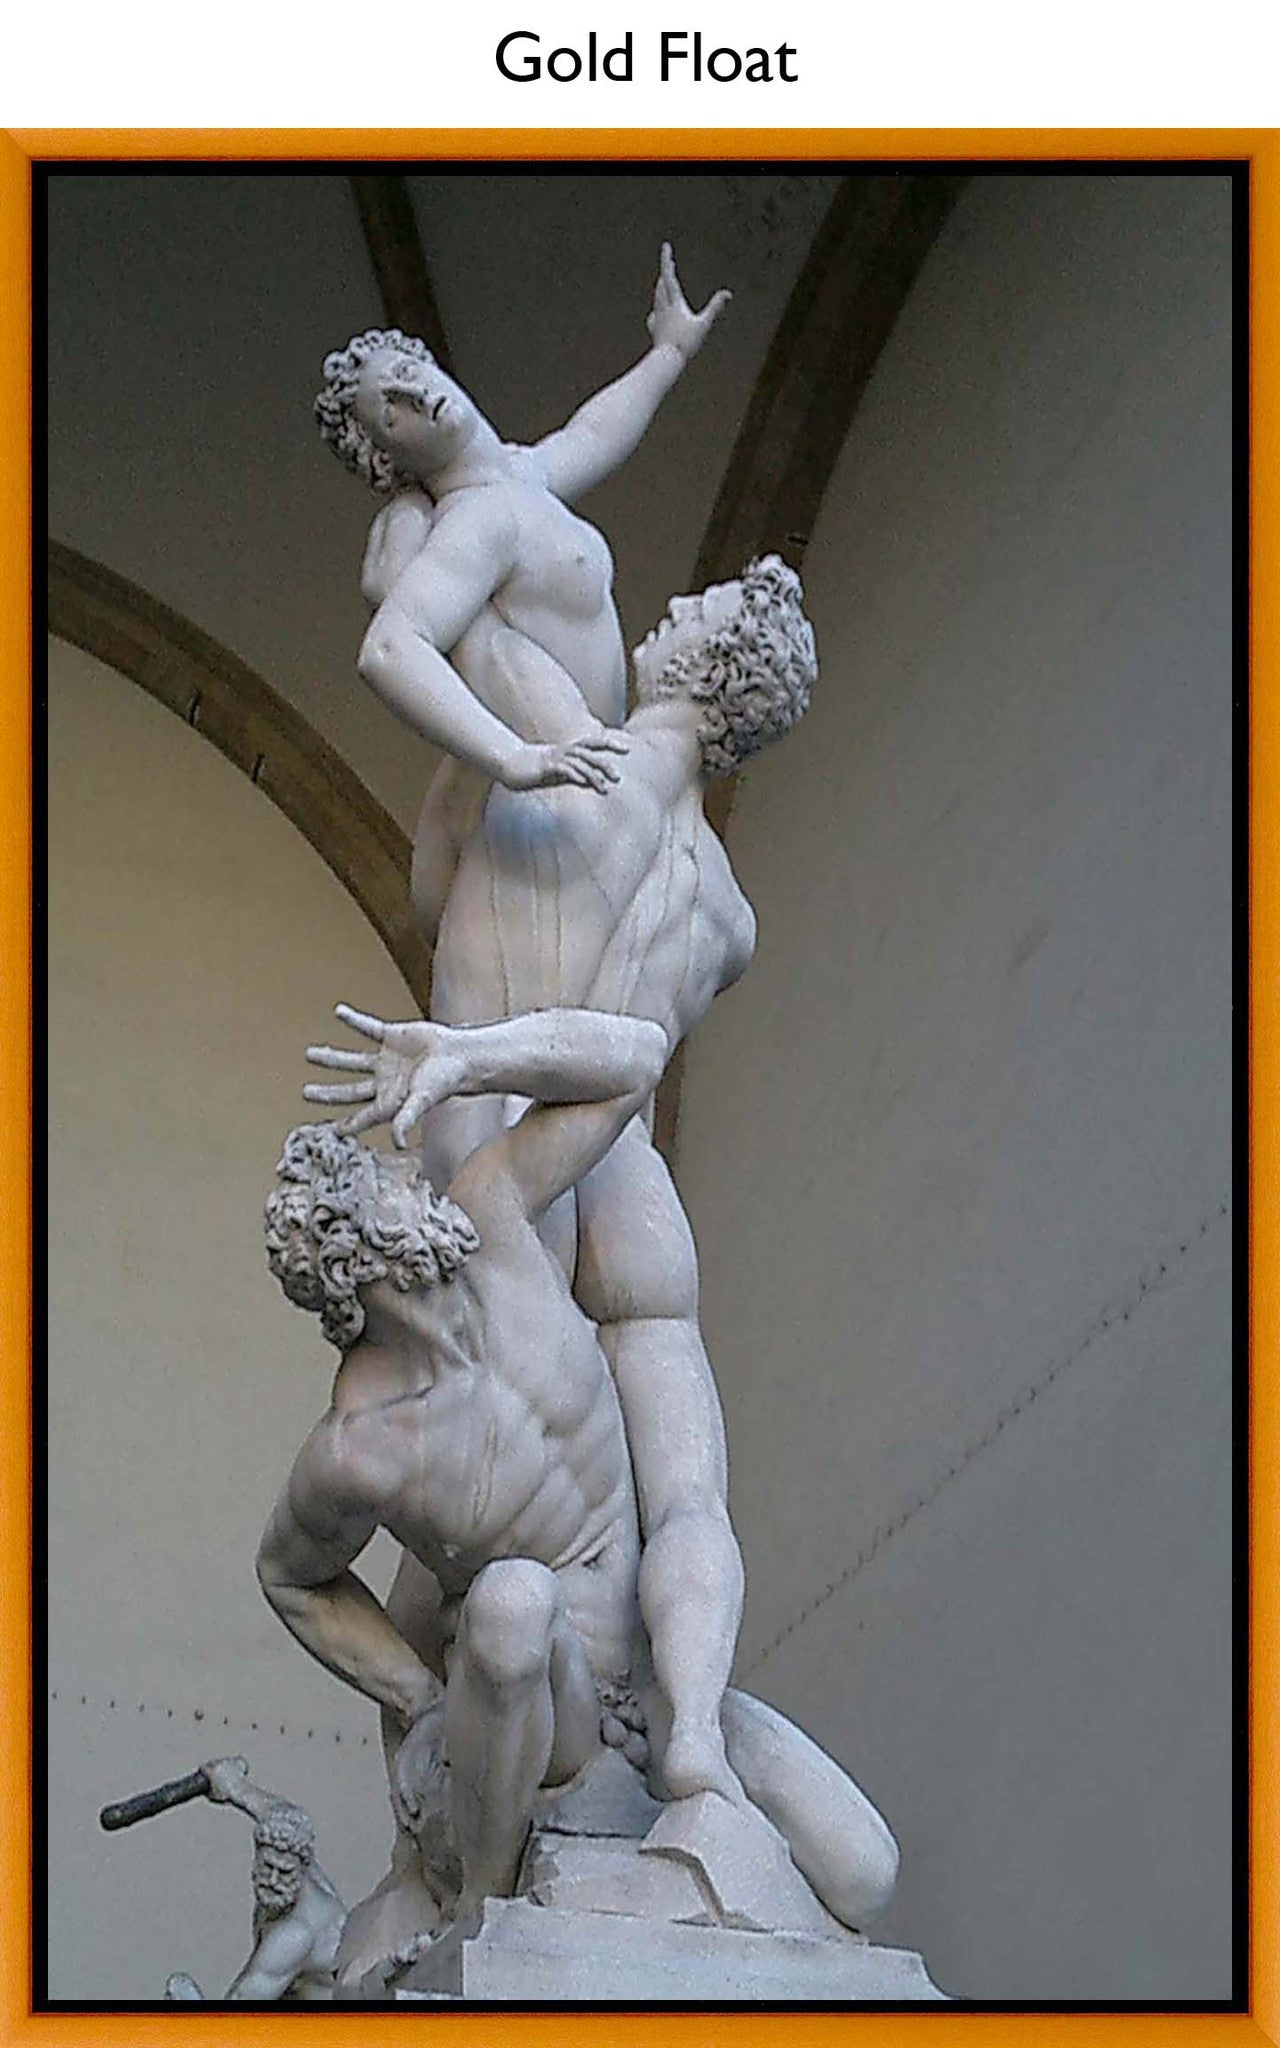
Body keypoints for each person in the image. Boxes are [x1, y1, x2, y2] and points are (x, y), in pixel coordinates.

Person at [305, 556, 817, 1806]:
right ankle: (690, 1728)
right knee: (684, 1489)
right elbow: (638, 1036)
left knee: (477, 1501)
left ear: (705, 663)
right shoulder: (729, 913)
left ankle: (466, 1783)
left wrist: (451, 516)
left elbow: (427, 617)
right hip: (626, 1166)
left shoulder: (563, 734)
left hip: (503, 1143)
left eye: (690, 611)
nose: (663, 609)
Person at [261, 1008, 898, 1936]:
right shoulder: (363, 1446)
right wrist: (421, 1699)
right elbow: (289, 1577)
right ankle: (485, 1909)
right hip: (553, 1717)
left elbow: (636, 1060)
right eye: (386, 1180)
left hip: (662, 1686)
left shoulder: (491, 1218)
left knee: (865, 1873)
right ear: (354, 1249)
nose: (411, 1176)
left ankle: (689, 1756)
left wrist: (468, 1057)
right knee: (514, 1599)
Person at [315, 242, 730, 942]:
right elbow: (388, 648)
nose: (416, 397)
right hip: (551, 783)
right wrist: (515, 757)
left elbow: (591, 433)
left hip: (585, 769)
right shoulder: (477, 521)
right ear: (387, 456)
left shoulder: (518, 478)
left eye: (408, 373)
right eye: (392, 411)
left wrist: (670, 352)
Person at [163, 1756, 345, 2001]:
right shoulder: (292, 1852)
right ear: (257, 1856)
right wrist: (234, 1786)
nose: (273, 1881)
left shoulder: (295, 1934)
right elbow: (283, 1816)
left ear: (301, 1869)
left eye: (283, 1873)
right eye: (267, 1867)